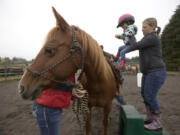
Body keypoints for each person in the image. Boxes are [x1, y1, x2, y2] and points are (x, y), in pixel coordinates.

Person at [128, 17, 166, 131]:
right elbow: (134, 45)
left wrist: (130, 34)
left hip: (156, 72)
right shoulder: (147, 38)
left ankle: (157, 122)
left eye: (144, 27)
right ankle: (150, 116)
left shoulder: (152, 38)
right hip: (148, 72)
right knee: (144, 94)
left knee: (150, 95)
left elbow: (134, 45)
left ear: (152, 27)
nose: (142, 29)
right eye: (142, 27)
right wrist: (126, 37)